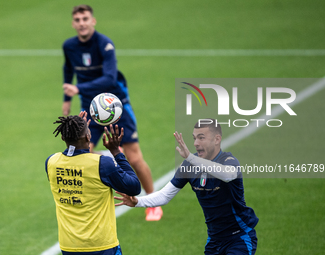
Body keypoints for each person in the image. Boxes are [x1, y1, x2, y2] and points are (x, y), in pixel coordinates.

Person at [61, 4, 162, 221]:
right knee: (81, 155)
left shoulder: (105, 44)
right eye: (77, 20)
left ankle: (152, 202)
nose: (81, 23)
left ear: (93, 21)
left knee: (134, 158)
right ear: (73, 23)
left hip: (116, 107)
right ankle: (110, 160)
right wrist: (67, 99)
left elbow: (109, 77)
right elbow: (68, 69)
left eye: (85, 18)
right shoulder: (69, 46)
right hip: (89, 108)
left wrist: (78, 89)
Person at [115, 119, 259, 255]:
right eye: (194, 138)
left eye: (201, 138)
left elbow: (228, 175)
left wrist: (191, 158)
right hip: (215, 240)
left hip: (239, 237)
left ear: (216, 139)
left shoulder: (229, 161)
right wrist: (138, 202)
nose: (196, 143)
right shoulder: (189, 166)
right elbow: (165, 195)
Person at [45, 111, 141, 254]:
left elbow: (76, 167)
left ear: (63, 136)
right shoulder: (102, 164)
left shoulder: (51, 162)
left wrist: (78, 129)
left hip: (69, 246)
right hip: (101, 246)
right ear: (88, 136)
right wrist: (116, 152)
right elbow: (134, 187)